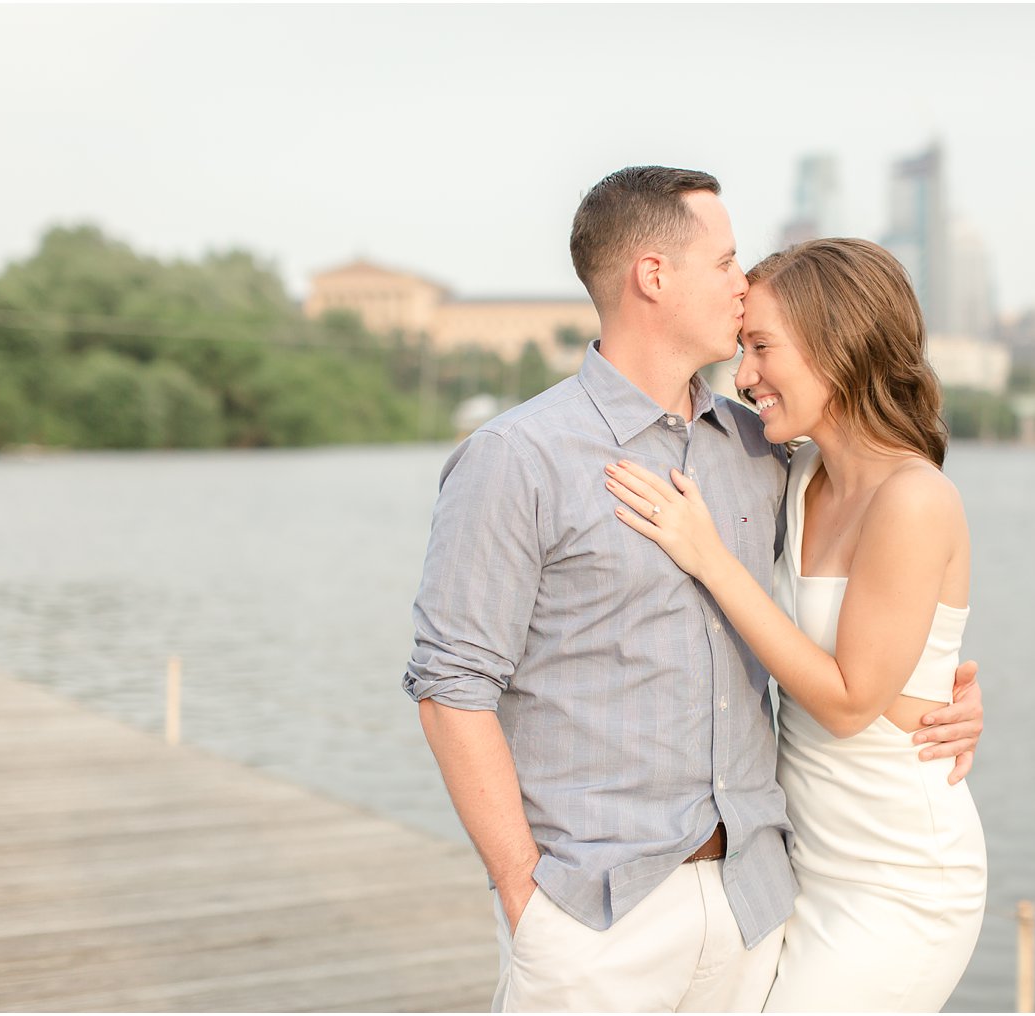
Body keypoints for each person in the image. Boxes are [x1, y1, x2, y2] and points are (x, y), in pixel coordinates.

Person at [403, 168, 982, 1013]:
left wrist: (944, 688)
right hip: (596, 910)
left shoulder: (763, 452)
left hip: (757, 898)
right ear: (652, 276)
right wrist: (526, 896)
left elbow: (880, 609)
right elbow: (451, 686)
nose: (741, 285)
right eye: (726, 261)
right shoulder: (517, 457)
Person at [605, 237, 986, 1011]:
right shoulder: (799, 474)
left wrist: (712, 558)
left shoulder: (914, 498)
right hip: (799, 861)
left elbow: (848, 703)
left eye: (761, 348)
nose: (744, 377)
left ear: (837, 347)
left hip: (899, 876)